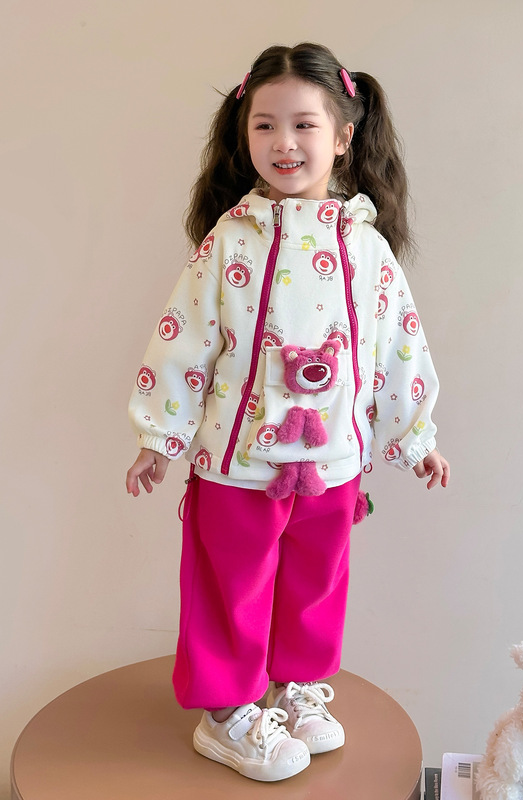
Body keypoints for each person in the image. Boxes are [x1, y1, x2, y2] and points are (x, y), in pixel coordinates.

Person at [126, 42, 450, 783]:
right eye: (265, 125)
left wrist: (415, 434)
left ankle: (294, 686)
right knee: (231, 586)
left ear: (342, 137)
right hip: (237, 459)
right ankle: (226, 712)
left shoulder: (367, 247)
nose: (284, 142)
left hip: (335, 459)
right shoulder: (228, 241)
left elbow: (397, 344)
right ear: (244, 137)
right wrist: (159, 436)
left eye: (304, 125)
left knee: (316, 581)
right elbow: (183, 339)